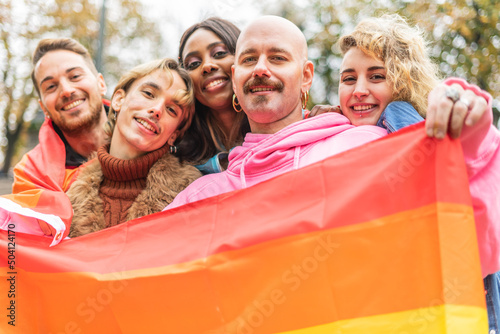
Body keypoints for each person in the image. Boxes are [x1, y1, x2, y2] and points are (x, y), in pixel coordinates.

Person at [165, 15, 499, 277]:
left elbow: (467, 230)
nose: (262, 69)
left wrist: (472, 139)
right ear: (236, 77)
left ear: (307, 76)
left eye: (278, 58)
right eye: (250, 59)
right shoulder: (200, 196)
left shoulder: (369, 146)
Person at [336, 14, 500, 332]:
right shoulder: (338, 133)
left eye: (376, 76)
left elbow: (474, 157)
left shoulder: (417, 129)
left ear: (403, 82)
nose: (359, 89)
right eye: (348, 78)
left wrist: (468, 115)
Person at [67, 58, 201, 237]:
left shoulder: (193, 194)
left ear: (173, 135)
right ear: (119, 100)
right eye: (148, 93)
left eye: (172, 110)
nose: (157, 110)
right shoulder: (67, 195)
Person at [0, 38, 110, 241]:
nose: (67, 91)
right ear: (44, 108)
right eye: (51, 86)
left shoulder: (149, 136)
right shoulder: (30, 173)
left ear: (101, 83)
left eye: (75, 76)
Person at [177, 17, 250, 174]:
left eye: (219, 53)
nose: (207, 66)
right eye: (194, 64)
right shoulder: (177, 158)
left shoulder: (292, 127)